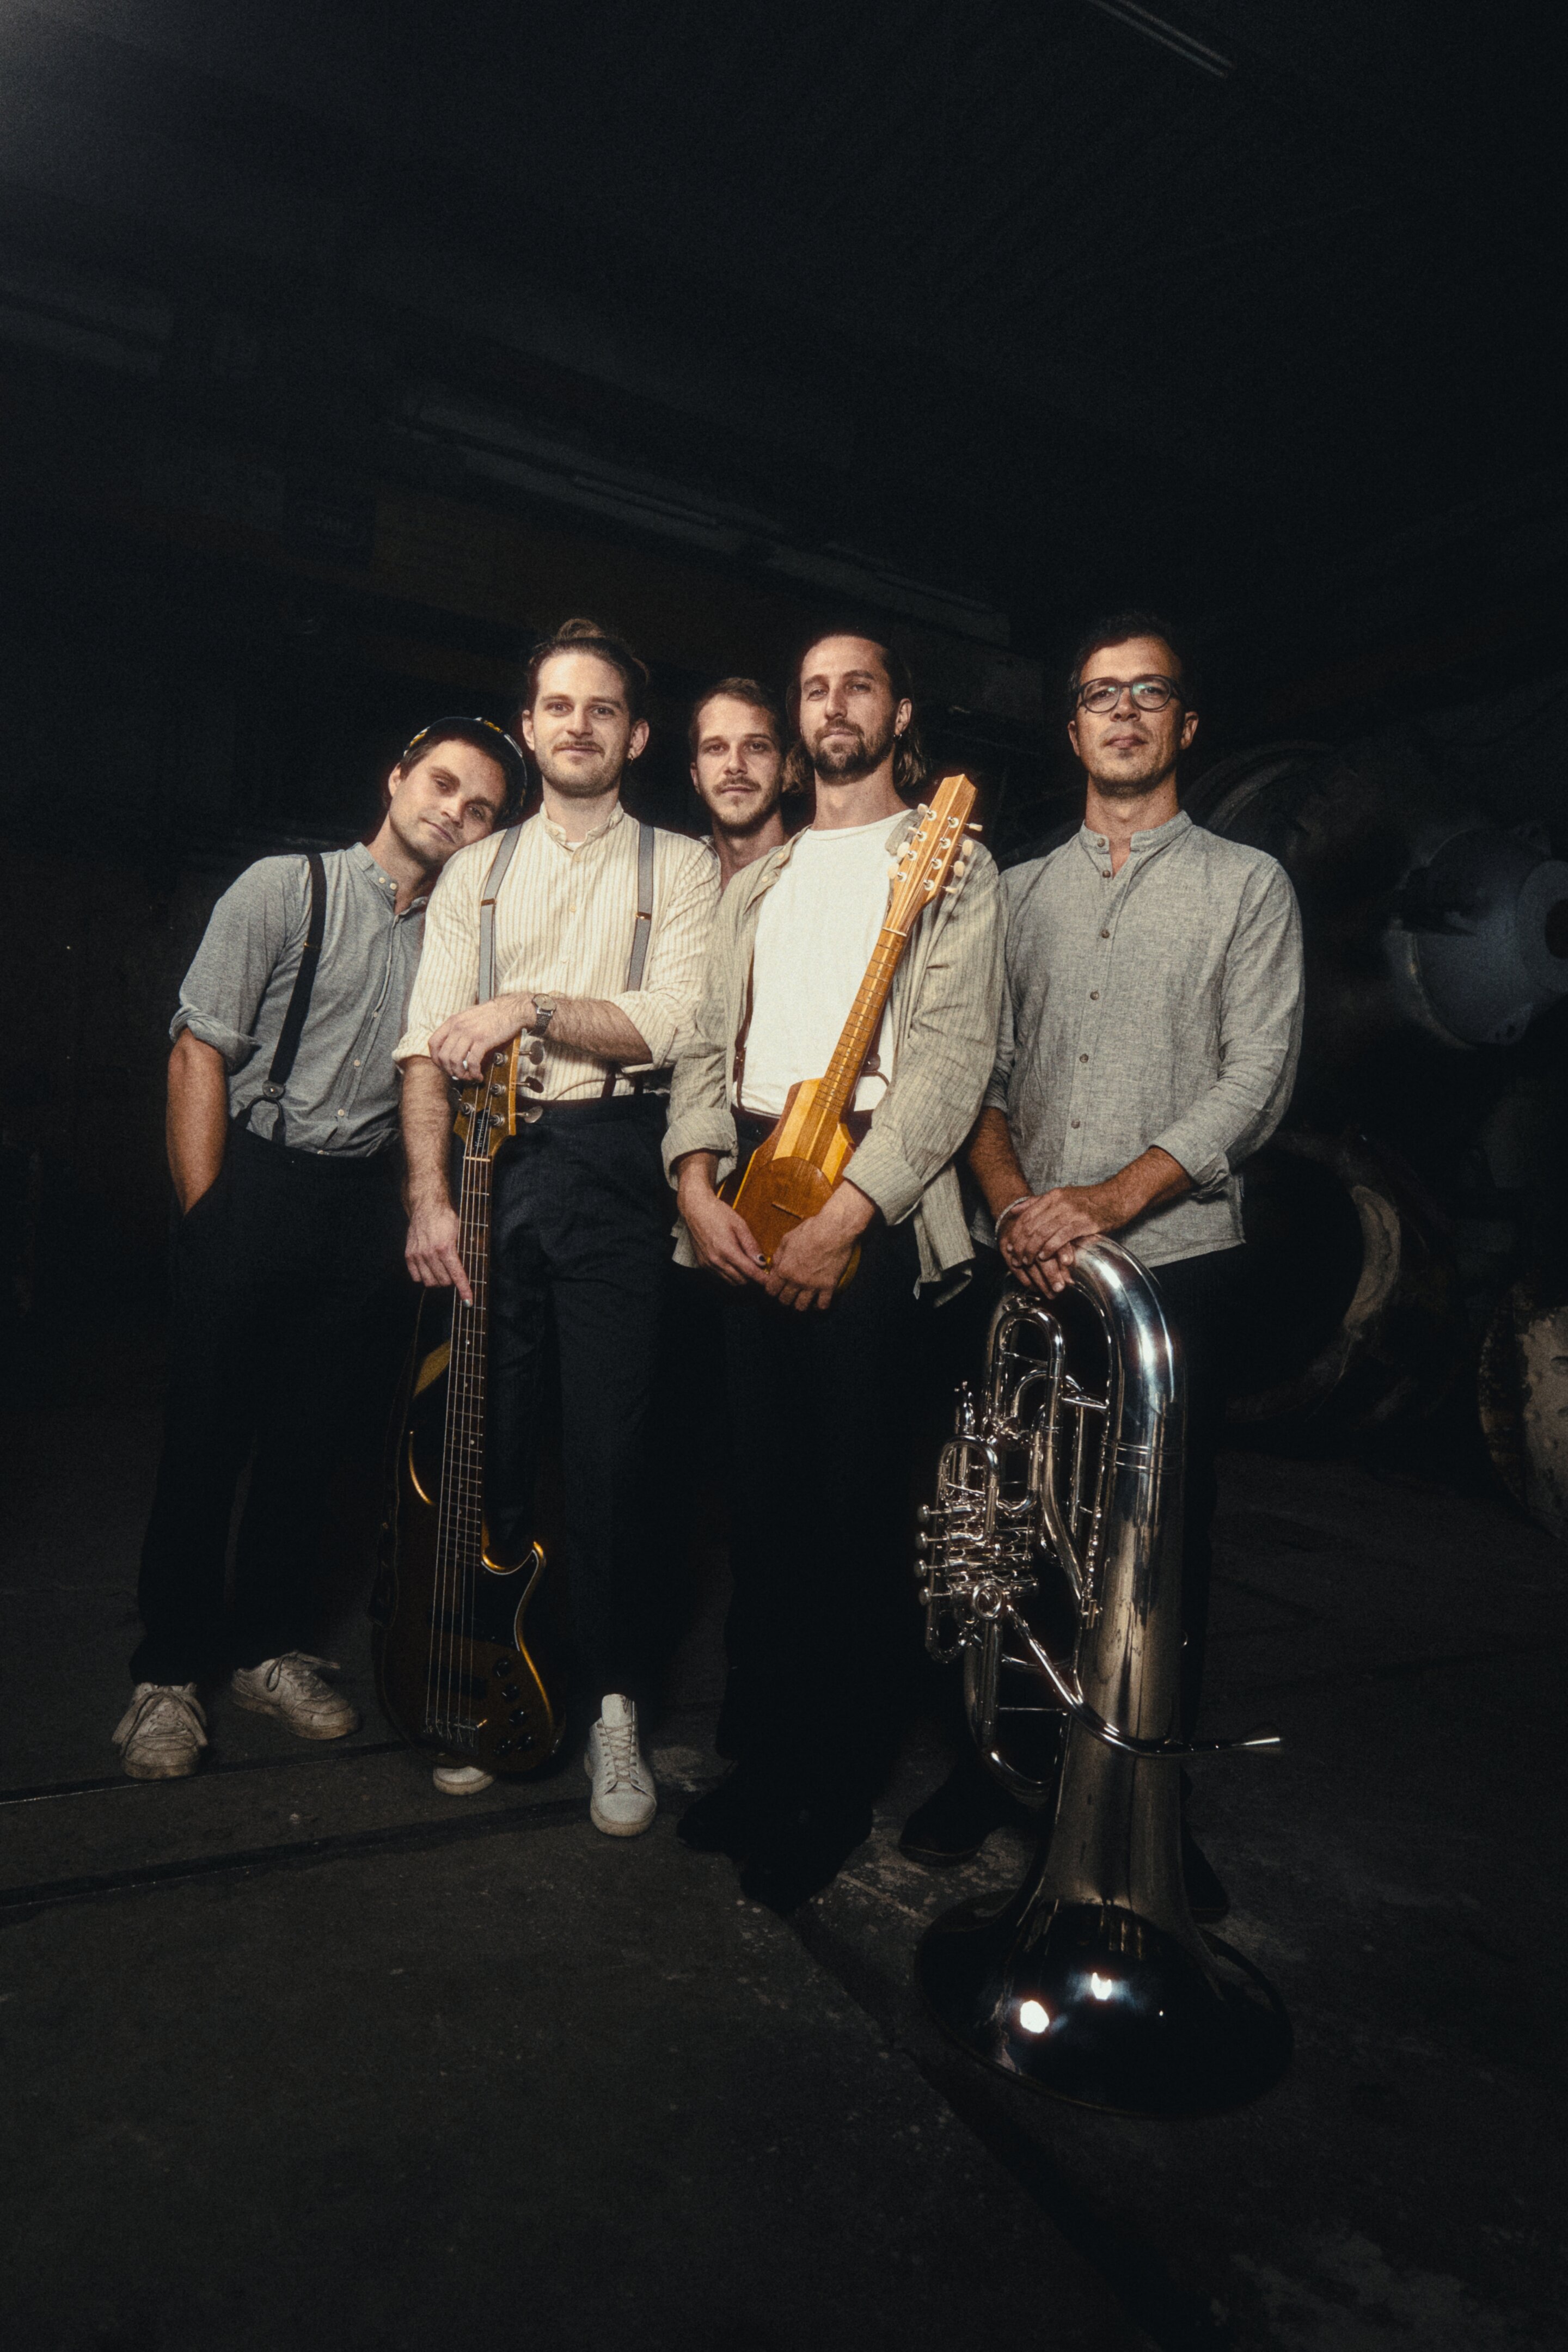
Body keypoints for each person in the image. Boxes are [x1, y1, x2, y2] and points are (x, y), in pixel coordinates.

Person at [899, 613, 1304, 1916]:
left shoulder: (1247, 885)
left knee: (1152, 1552)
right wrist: (1020, 1208)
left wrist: (1105, 1205)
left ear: (1186, 724)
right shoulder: (1017, 895)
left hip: (1172, 1264)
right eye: (1098, 694)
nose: (1123, 712)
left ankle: (1141, 1801)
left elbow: (1257, 1078)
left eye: (1149, 692)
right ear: (1071, 730)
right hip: (1026, 1259)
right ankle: (991, 1770)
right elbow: (976, 1074)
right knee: (1012, 1523)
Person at [666, 630, 1003, 1912]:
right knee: (760, 1503)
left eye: (858, 684)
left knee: (854, 1512)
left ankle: (833, 1786)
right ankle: (764, 1762)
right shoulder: (763, 877)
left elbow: (954, 1055)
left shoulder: (951, 862)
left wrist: (853, 1212)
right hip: (755, 1184)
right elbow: (707, 1042)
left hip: (869, 1192)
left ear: (899, 710)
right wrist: (697, 1181)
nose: (834, 704)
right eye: (814, 688)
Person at [115, 718, 520, 1780]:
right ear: (397, 778)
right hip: (256, 1176)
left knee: (315, 1445)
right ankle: (168, 1675)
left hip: (365, 1204)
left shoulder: (460, 943)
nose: (456, 812)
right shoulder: (284, 889)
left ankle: (265, 1652)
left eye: (481, 808)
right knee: (207, 1442)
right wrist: (209, 1219)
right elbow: (199, 1052)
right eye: (443, 784)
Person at [399, 618, 719, 1829]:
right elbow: (426, 1047)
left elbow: (674, 1021)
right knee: (491, 1428)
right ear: (529, 729)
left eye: (602, 709)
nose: (578, 725)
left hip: (616, 1159)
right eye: (557, 706)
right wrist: (427, 1196)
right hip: (489, 1167)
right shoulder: (476, 870)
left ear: (635, 737)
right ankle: (489, 1683)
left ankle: (614, 1710)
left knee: (614, 1451)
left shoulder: (679, 867)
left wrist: (526, 1005)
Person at [688, 677, 792, 887]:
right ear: (696, 776)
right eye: (716, 748)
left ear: (787, 771)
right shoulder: (679, 876)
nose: (735, 765)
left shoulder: (819, 872)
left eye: (756, 746)